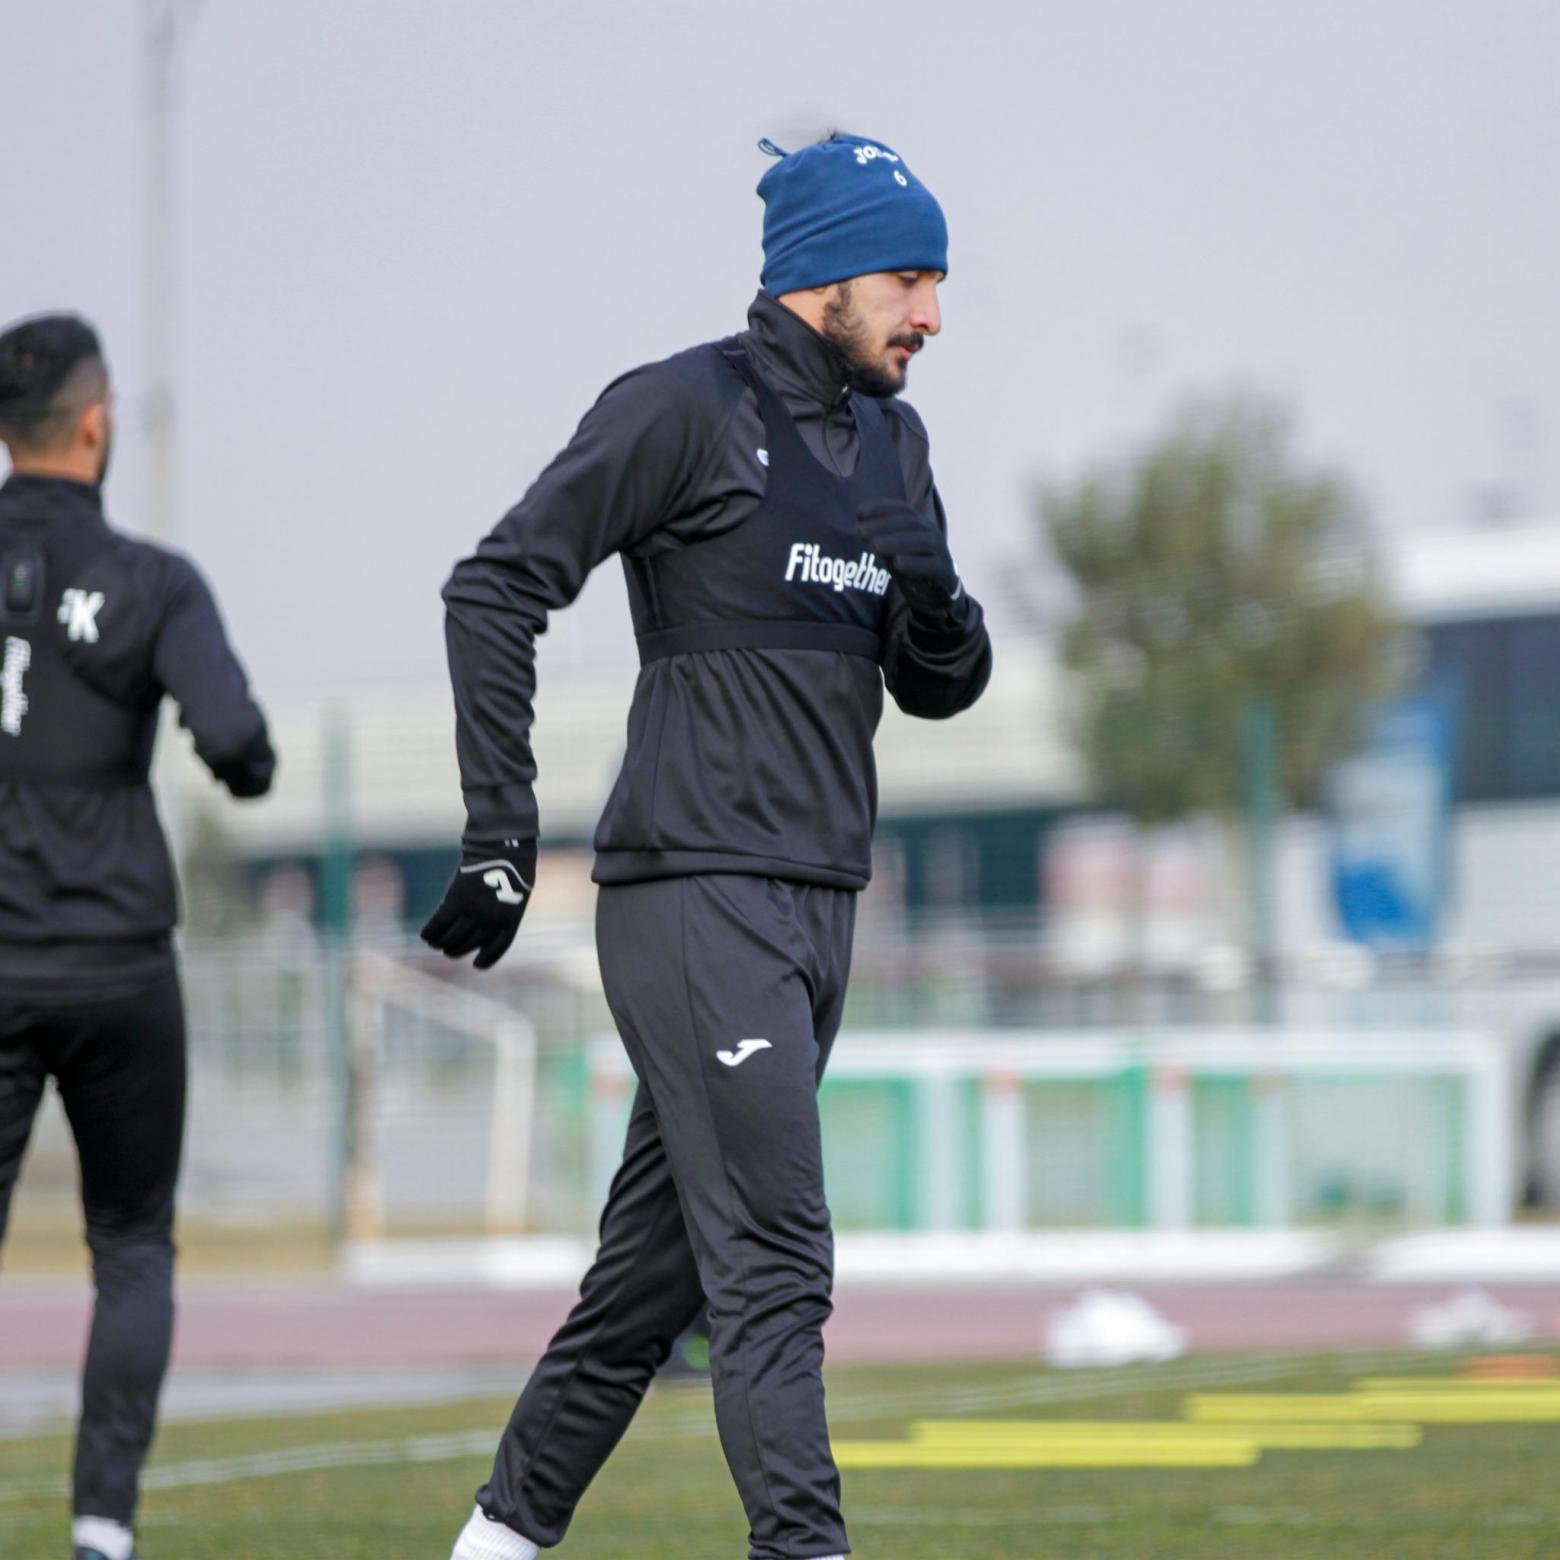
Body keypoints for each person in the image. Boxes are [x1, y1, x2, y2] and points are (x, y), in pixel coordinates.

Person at [423, 132, 991, 1560]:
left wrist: (939, 601)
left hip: (820, 905)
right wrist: (501, 829)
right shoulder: (683, 408)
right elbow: (495, 588)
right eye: (909, 281)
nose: (934, 315)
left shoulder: (894, 442)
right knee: (779, 1260)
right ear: (822, 278)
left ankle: (494, 1544)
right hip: (696, 894)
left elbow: (937, 686)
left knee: (647, 1289)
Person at [0, 314, 275, 1560]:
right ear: (96, 424)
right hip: (117, 960)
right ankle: (103, 1528)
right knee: (129, 1246)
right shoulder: (152, 582)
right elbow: (239, 745)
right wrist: (236, 761)